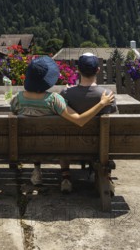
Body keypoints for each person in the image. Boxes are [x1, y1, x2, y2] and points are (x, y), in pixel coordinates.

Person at [10, 55, 115, 188]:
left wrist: (67, 91)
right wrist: (102, 103)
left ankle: (40, 170)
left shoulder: (17, 99)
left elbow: (13, 115)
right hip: (60, 145)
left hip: (30, 147)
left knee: (35, 135)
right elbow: (79, 120)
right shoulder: (54, 100)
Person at [59, 52, 118, 193]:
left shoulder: (65, 94)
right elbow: (114, 127)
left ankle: (66, 175)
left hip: (69, 147)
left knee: (63, 135)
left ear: (78, 70)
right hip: (99, 147)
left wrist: (67, 92)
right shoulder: (108, 95)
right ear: (98, 70)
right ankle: (106, 175)